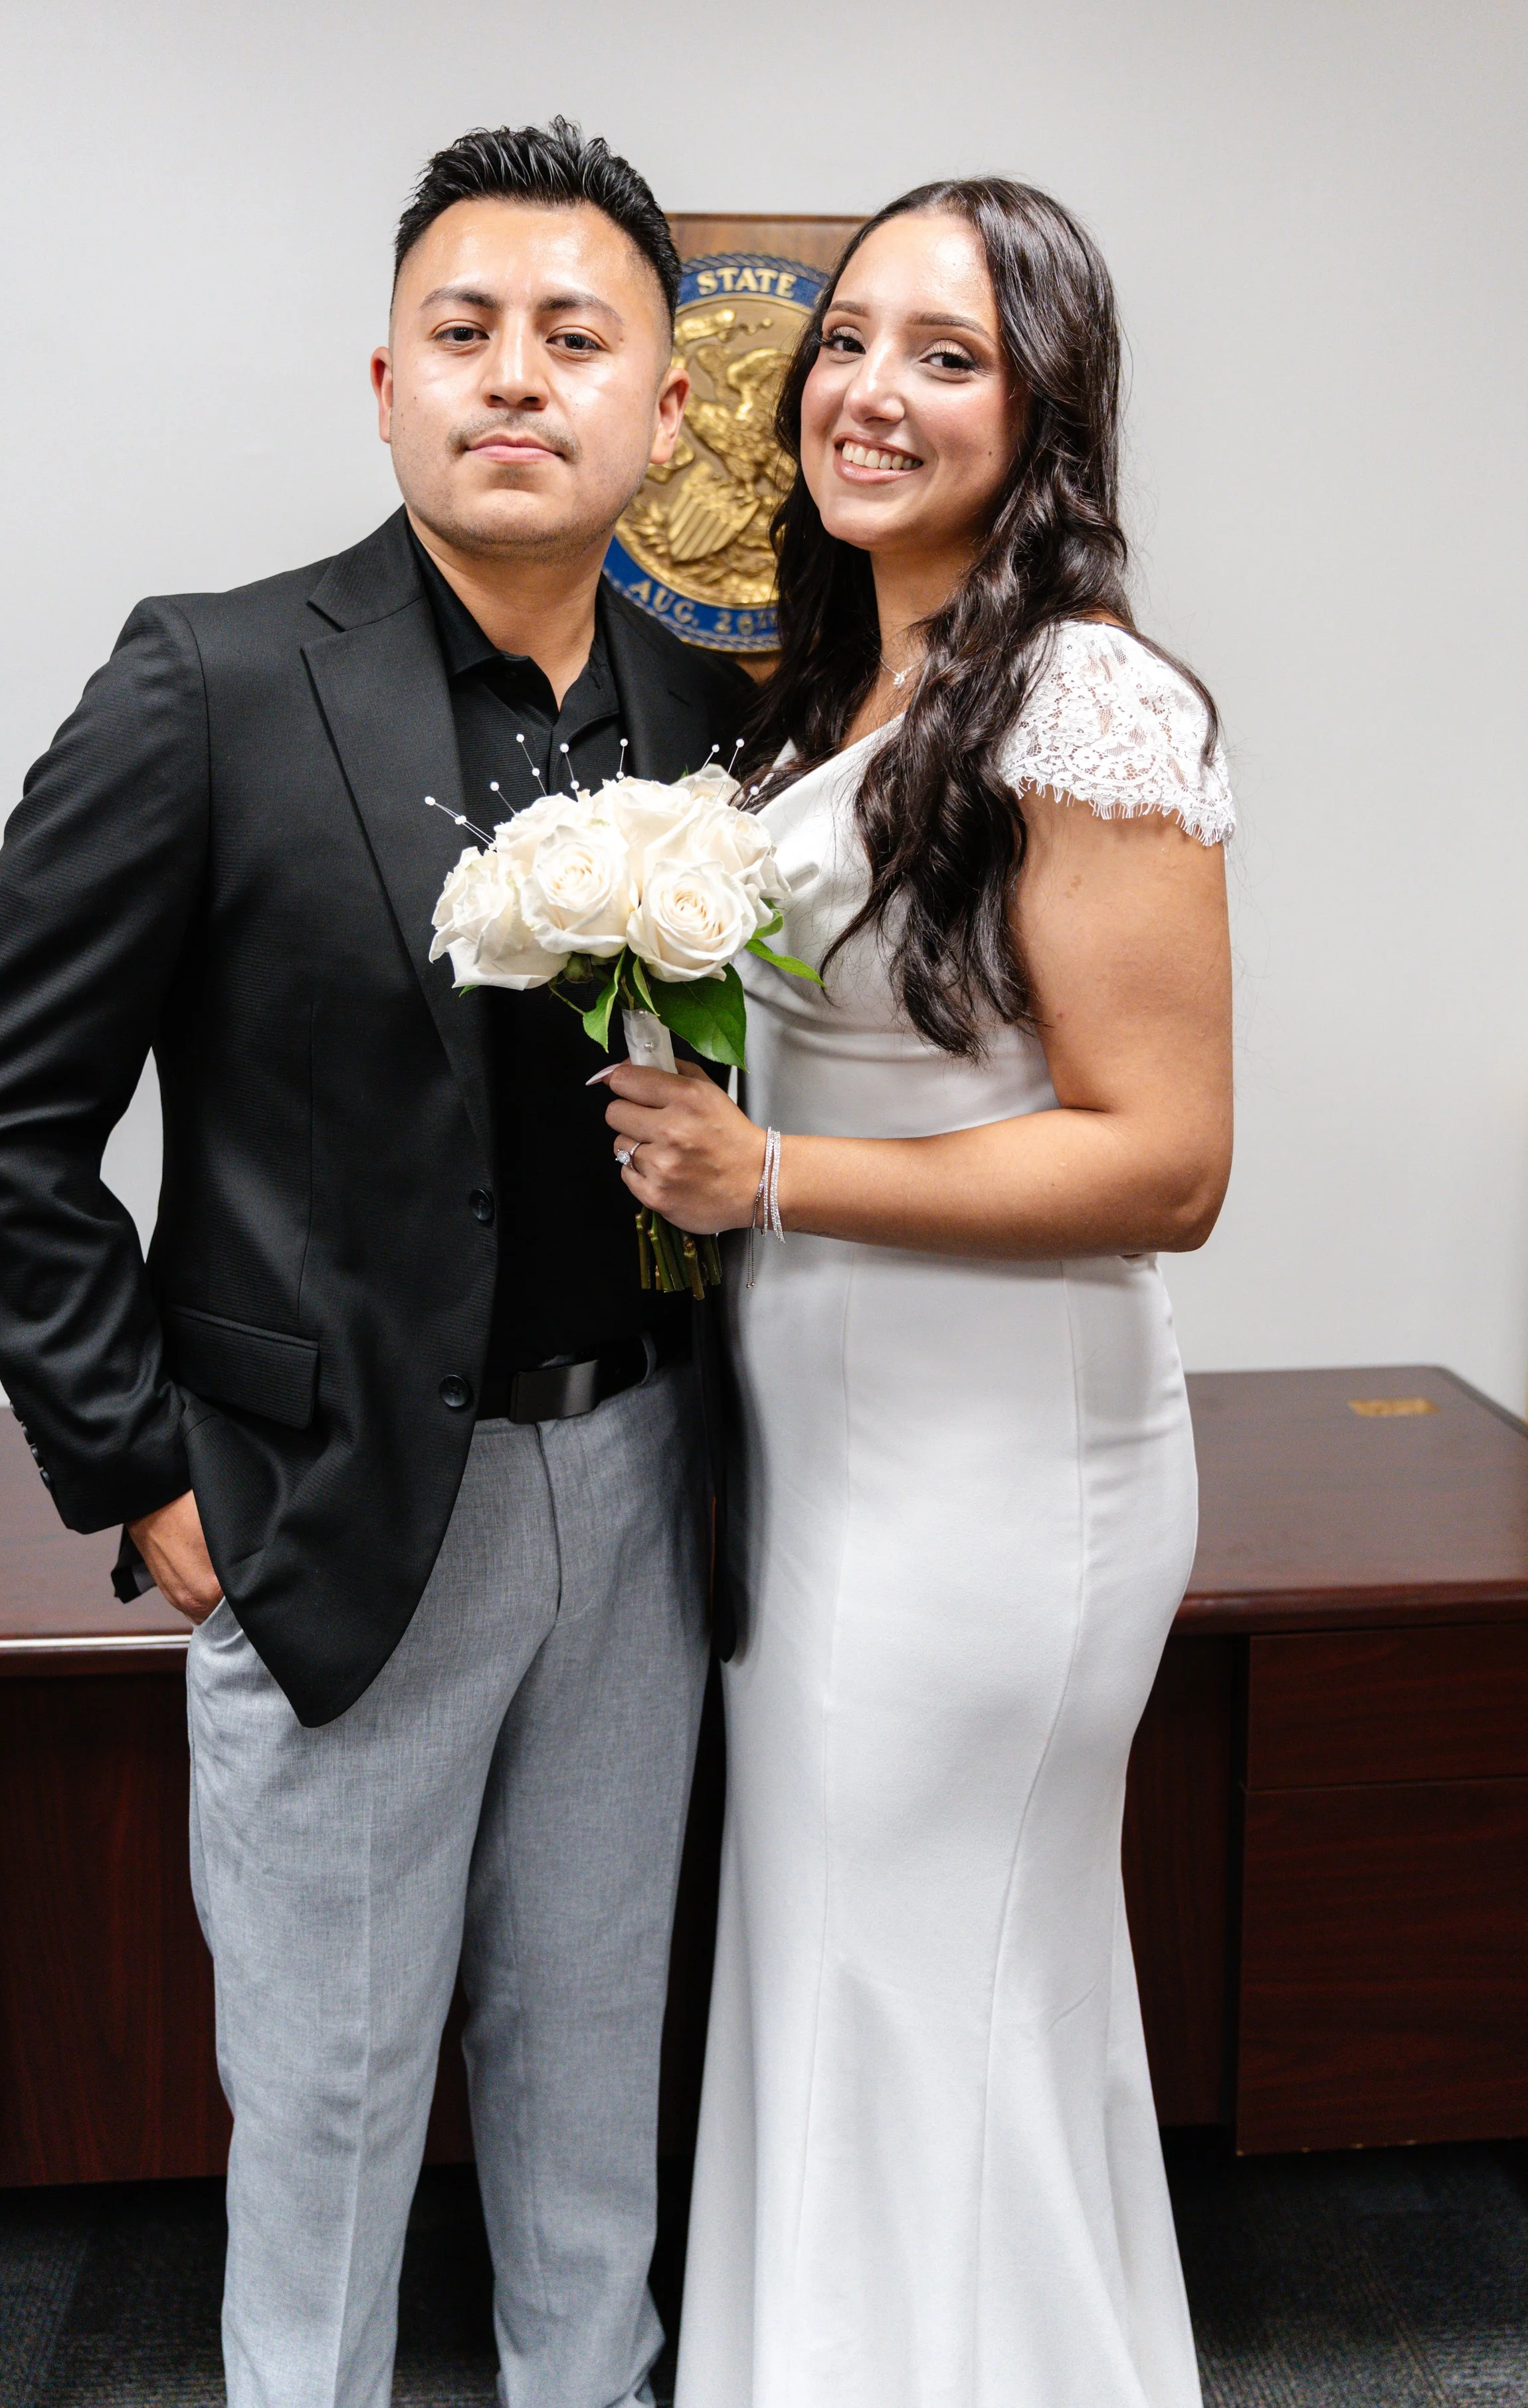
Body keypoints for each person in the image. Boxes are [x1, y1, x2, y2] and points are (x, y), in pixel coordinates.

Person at [0, 119, 753, 2408]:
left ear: (662, 411)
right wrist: (146, 1481)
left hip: (646, 1491)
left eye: (575, 336)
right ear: (379, 379)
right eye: (463, 331)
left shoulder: (716, 724)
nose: (517, 376)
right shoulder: (203, 681)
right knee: (330, 2108)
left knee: (596, 2090)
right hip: (331, 1508)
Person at [596, 178, 1235, 2406]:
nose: (869, 390)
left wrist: (771, 1170)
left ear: (1042, 407)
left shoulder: (1083, 696)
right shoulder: (850, 681)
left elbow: (1166, 1160)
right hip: (823, 1454)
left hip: (991, 1469)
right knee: (864, 1985)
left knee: (922, 1982)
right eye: (847, 340)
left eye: (944, 355)